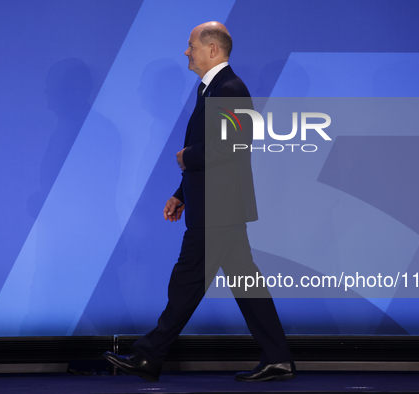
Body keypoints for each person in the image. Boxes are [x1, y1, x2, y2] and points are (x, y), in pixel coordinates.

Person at [103, 21, 295, 382]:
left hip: (219, 209)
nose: (187, 52)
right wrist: (181, 194)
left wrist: (187, 157)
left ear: (212, 50)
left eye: (191, 45)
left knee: (188, 280)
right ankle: (278, 358)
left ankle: (149, 354)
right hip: (216, 204)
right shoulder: (212, 89)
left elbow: (235, 145)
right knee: (244, 283)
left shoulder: (230, 89)